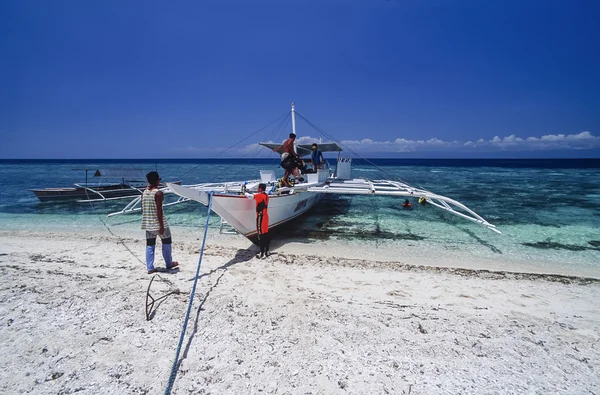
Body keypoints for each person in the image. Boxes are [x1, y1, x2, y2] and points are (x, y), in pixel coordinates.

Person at [141, 171, 179, 274]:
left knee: (150, 245)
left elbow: (143, 208)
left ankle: (150, 267)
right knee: (166, 242)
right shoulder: (158, 193)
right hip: (159, 223)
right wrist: (161, 226)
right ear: (157, 181)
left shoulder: (144, 192)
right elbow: (159, 211)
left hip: (148, 223)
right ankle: (169, 263)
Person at [245, 183, 270, 258]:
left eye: (258, 188)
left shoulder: (259, 196)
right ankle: (267, 251)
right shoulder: (266, 196)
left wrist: (244, 192)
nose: (257, 189)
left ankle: (262, 253)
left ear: (260, 189)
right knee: (266, 234)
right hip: (265, 217)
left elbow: (249, 196)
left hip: (260, 217)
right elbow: (256, 195)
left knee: (260, 235)